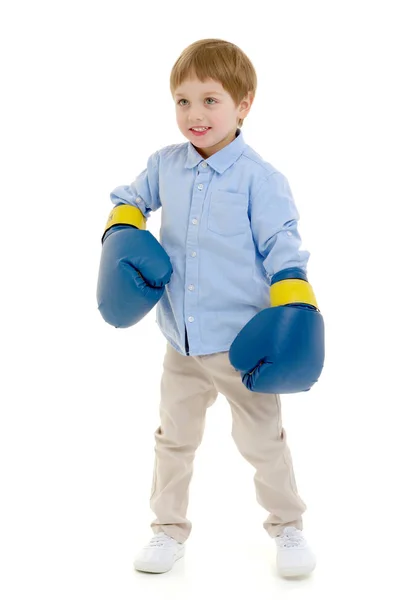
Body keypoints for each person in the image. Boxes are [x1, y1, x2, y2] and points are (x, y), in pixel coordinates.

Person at [97, 38, 324, 578]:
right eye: (182, 101)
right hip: (180, 341)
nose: (194, 114)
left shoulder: (260, 180)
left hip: (243, 347)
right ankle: (167, 531)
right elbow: (127, 199)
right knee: (172, 441)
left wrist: (294, 307)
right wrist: (123, 230)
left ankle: (288, 528)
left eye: (210, 100)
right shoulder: (165, 165)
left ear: (244, 104)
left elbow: (283, 251)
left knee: (263, 442)